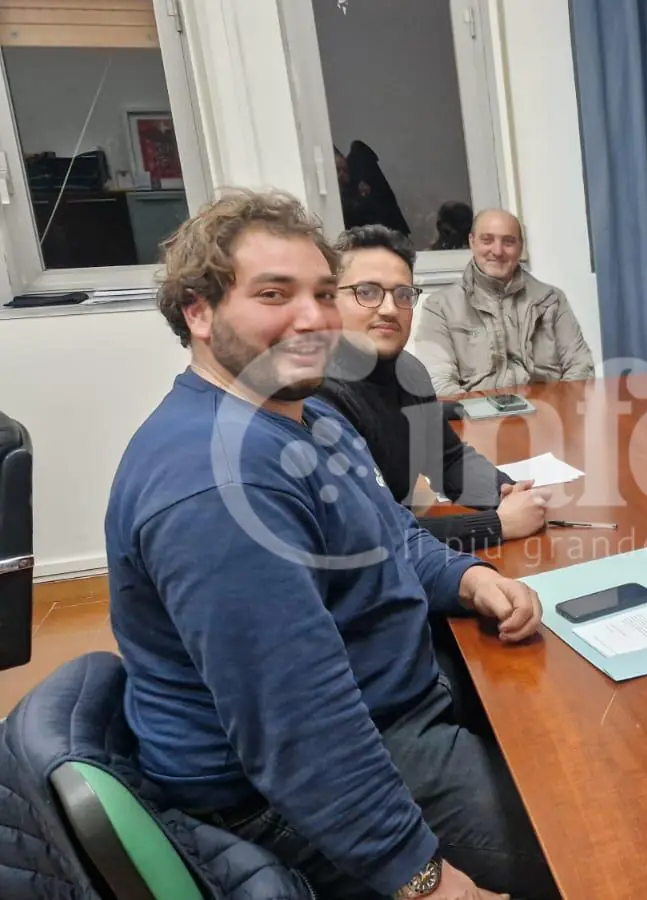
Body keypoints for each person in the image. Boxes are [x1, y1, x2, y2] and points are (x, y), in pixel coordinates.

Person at [108, 189, 556, 899]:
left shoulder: (307, 415)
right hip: (298, 782)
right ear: (199, 312)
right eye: (274, 294)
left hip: (392, 698)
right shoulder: (218, 482)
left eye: (321, 293)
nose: (313, 317)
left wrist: (468, 579)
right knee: (584, 842)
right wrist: (424, 879)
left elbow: (390, 536)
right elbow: (298, 726)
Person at [319, 224, 552, 551]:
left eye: (403, 294)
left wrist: (505, 492)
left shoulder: (409, 371)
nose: (389, 309)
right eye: (367, 292)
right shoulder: (317, 395)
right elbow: (367, 532)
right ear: (330, 299)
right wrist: (497, 525)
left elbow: (447, 459)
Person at [414, 208, 594, 394]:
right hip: (476, 410)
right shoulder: (440, 307)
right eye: (487, 240)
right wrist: (478, 411)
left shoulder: (551, 300)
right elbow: (439, 384)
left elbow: (581, 368)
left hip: (549, 408)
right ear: (472, 242)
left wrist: (558, 408)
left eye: (508, 241)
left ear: (520, 247)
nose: (497, 251)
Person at [338, 140, 411, 235]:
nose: (341, 175)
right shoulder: (343, 199)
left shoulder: (374, 191)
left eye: (345, 170)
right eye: (338, 170)